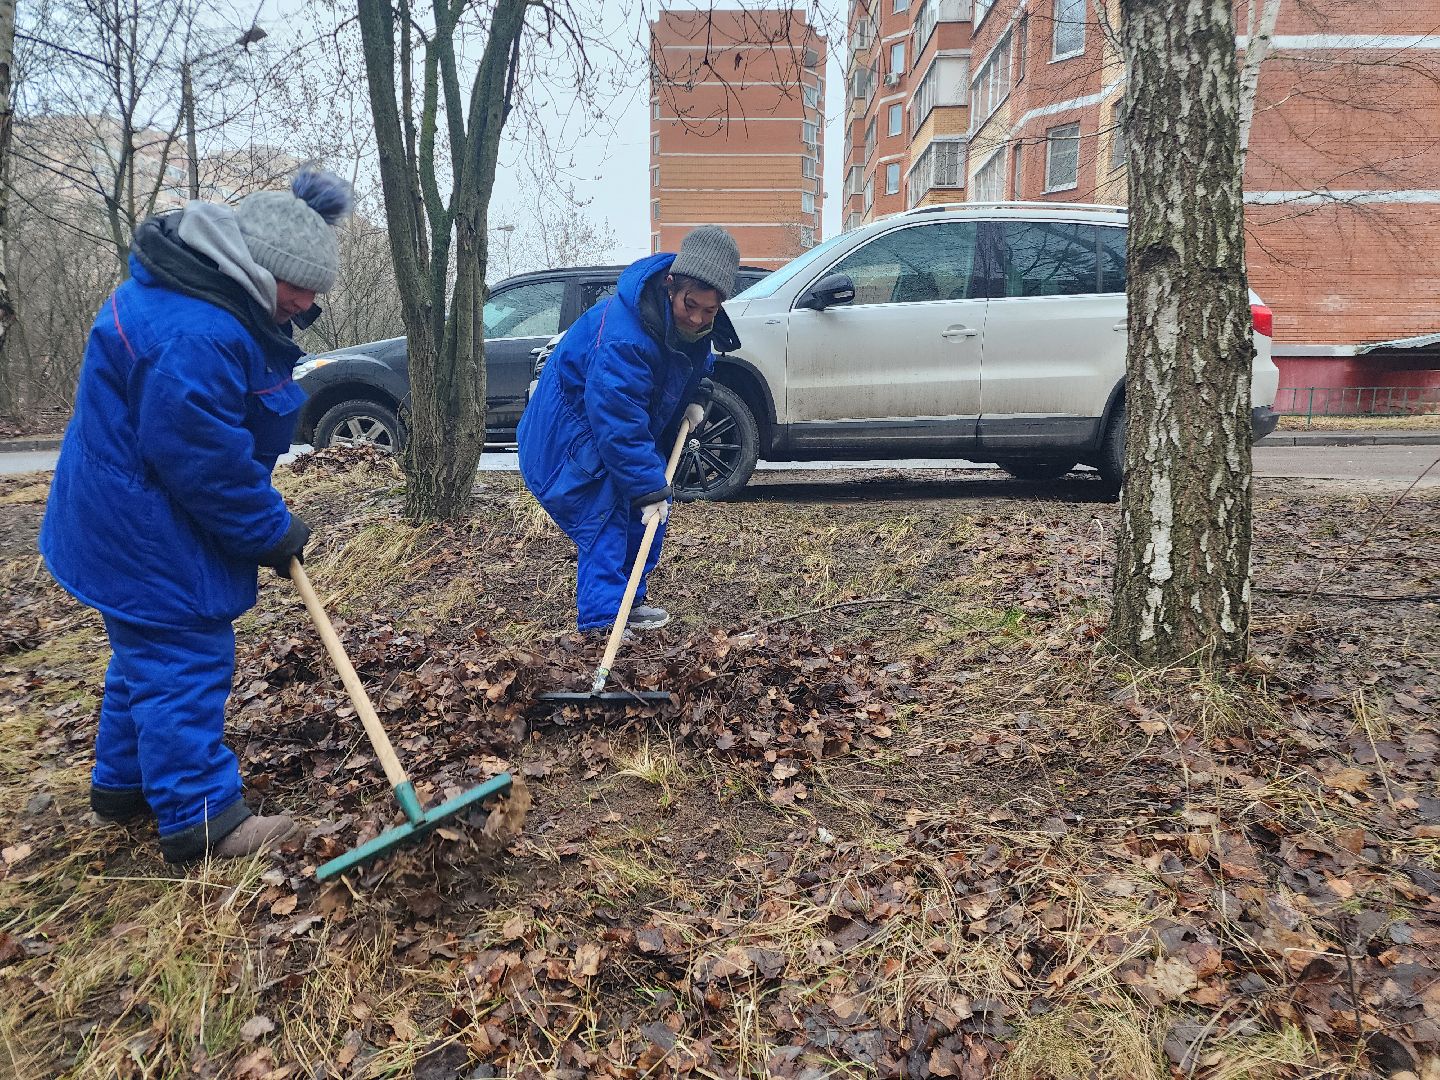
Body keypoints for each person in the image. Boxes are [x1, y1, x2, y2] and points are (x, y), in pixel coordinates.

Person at [39, 168, 352, 862]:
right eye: (297, 286)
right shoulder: (194, 335)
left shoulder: (202, 302)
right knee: (182, 658)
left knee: (143, 653)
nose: (305, 302)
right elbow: (204, 464)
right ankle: (202, 816)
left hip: (125, 512)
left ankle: (121, 789)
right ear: (254, 267)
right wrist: (271, 529)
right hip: (140, 527)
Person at [517, 226, 742, 637]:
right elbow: (615, 415)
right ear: (671, 285)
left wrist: (697, 394)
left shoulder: (694, 324)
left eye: (709, 312)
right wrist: (645, 485)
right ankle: (603, 620)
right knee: (606, 512)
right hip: (572, 429)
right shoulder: (624, 333)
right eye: (690, 305)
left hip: (622, 426)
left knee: (648, 514)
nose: (697, 318)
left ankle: (628, 603)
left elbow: (690, 362)